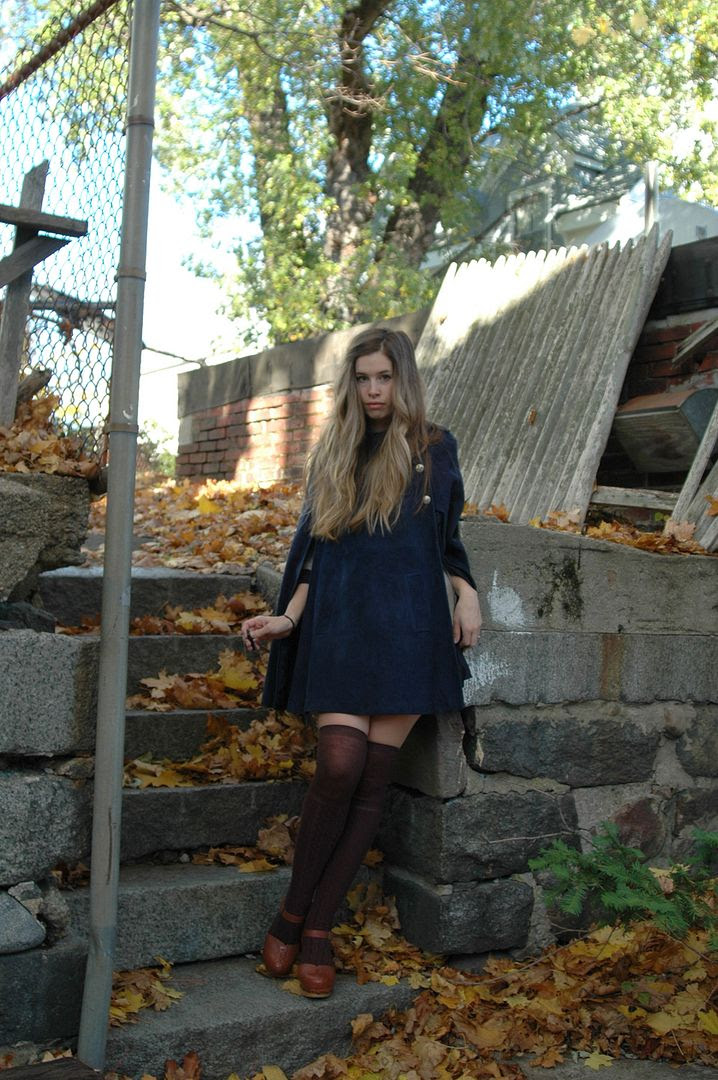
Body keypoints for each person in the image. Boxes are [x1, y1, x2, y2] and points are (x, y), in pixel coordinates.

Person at [241, 327, 481, 998]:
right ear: (351, 383)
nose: (374, 390)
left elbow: (448, 537)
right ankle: (292, 911)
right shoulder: (335, 449)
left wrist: (466, 593)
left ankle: (315, 929)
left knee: (373, 783)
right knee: (340, 766)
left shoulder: (435, 448)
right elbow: (315, 553)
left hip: (411, 628)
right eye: (363, 377)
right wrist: (289, 618)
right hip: (343, 627)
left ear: (403, 379)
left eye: (384, 377)